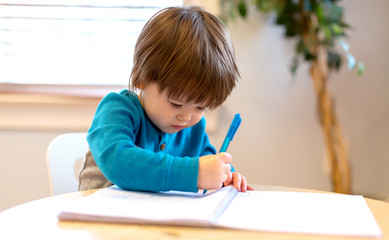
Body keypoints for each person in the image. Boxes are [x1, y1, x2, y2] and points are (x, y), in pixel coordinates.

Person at [78, 6, 253, 193]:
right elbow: (117, 162)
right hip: (98, 219)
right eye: (176, 103)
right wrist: (195, 173)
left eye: (201, 107)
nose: (187, 117)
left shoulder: (193, 130)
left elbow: (208, 162)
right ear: (141, 78)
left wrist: (225, 176)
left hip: (152, 220)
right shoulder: (116, 110)